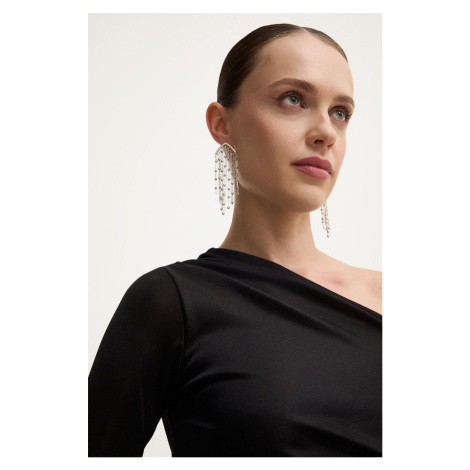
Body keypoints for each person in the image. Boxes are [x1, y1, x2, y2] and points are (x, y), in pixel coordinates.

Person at [88, 23, 382, 457]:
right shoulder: (171, 305)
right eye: (293, 99)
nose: (327, 132)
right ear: (221, 123)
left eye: (340, 112)